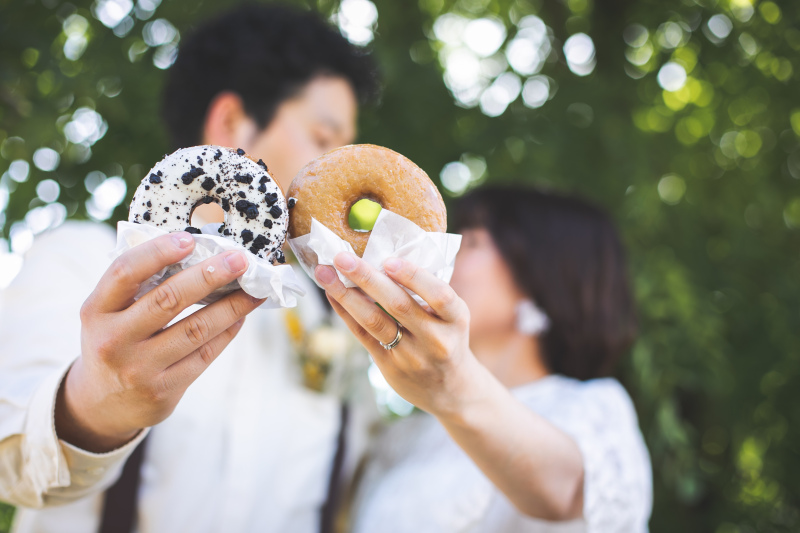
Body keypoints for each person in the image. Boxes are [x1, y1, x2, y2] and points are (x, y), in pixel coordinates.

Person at [0, 4, 378, 533]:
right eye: (322, 139)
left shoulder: (332, 321)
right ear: (230, 122)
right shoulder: (79, 260)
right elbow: (13, 467)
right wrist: (97, 407)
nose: (337, 171)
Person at [313, 186, 653, 532]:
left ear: (540, 276)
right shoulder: (405, 435)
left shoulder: (591, 407)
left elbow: (566, 493)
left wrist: (454, 388)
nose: (435, 256)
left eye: (471, 242)